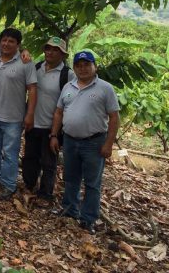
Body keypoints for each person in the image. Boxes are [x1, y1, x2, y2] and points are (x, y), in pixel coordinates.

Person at [50, 51, 120, 234]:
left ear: (94, 66)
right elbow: (58, 112)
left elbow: (114, 117)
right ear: (74, 68)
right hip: (71, 140)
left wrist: (109, 144)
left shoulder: (105, 88)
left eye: (86, 65)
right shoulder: (68, 87)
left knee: (92, 182)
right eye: (79, 65)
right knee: (71, 178)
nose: (83, 68)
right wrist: (54, 135)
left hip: (94, 142)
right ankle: (70, 209)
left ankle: (88, 218)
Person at [0, 28, 37, 200]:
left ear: (18, 44)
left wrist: (29, 114)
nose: (6, 44)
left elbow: (32, 89)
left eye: (11, 41)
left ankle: (8, 184)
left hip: (14, 118)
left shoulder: (25, 63)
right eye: (4, 40)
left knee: (10, 152)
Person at [22, 37, 74, 202]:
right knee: (30, 157)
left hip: (53, 127)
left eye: (55, 50)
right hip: (33, 121)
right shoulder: (36, 68)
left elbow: (70, 102)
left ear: (63, 55)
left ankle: (46, 193)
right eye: (48, 49)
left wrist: (57, 131)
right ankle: (28, 186)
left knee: (48, 162)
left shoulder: (68, 74)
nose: (50, 52)